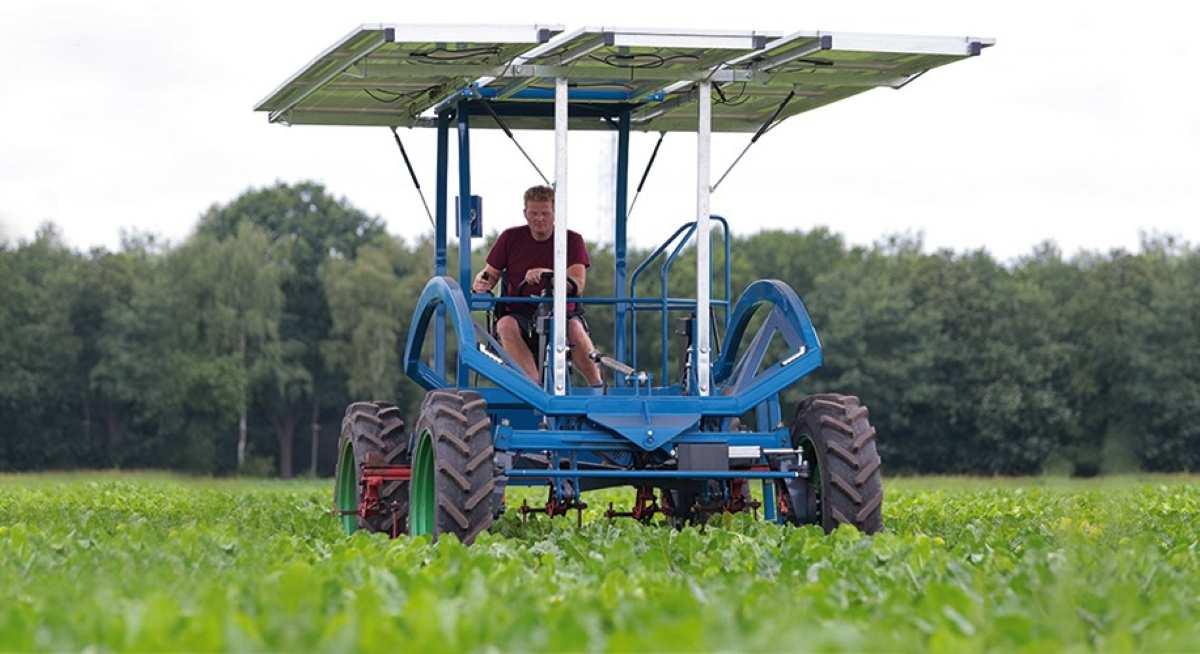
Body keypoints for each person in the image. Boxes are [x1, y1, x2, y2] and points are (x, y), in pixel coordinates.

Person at [472, 185, 603, 386]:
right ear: (525, 213)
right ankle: (534, 388)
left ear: (554, 213)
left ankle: (597, 386)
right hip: (520, 314)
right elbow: (489, 274)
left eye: (545, 213)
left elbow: (577, 283)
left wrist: (549, 275)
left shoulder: (572, 240)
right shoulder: (510, 238)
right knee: (505, 325)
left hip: (560, 313)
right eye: (534, 213)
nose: (539, 218)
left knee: (575, 328)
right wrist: (482, 283)